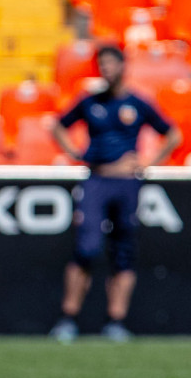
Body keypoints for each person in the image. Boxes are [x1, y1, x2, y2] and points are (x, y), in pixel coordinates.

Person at [49, 45, 181, 343]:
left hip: (127, 183)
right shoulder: (90, 101)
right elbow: (58, 125)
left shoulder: (137, 103)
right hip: (96, 180)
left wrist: (150, 163)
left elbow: (173, 134)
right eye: (102, 64)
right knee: (87, 248)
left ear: (123, 65)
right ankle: (68, 319)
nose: (106, 69)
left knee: (123, 251)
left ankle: (116, 321)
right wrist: (74, 152)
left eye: (110, 63)